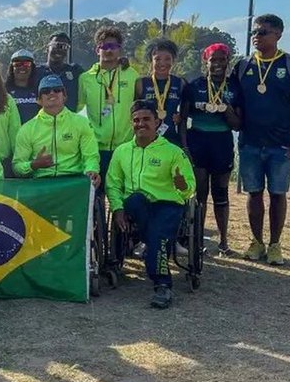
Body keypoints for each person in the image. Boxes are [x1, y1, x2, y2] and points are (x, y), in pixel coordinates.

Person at [229, 14, 290, 265]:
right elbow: (234, 102)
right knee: (254, 193)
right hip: (250, 142)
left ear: (278, 34)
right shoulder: (243, 66)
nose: (256, 36)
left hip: (281, 144)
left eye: (263, 32)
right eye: (254, 32)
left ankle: (275, 244)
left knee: (277, 194)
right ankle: (257, 242)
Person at [106, 100, 195, 309]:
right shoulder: (122, 152)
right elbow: (113, 184)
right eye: (136, 120)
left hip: (167, 205)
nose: (141, 124)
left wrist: (182, 186)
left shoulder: (173, 152)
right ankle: (154, 243)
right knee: (137, 201)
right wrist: (118, 208)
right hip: (137, 207)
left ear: (157, 121)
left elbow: (189, 188)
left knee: (158, 236)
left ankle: (163, 285)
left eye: (146, 119)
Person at [179, 43, 240, 257]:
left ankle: (223, 242)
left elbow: (238, 125)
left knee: (221, 193)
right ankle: (197, 241)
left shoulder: (234, 86)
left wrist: (227, 111)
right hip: (198, 141)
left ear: (227, 62)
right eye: (213, 60)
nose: (218, 64)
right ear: (206, 61)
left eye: (222, 60)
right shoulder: (194, 86)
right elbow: (183, 119)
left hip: (222, 142)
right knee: (200, 194)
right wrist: (185, 146)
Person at [78, 26, 140, 189]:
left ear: (120, 50)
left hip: (125, 147)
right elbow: (78, 111)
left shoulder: (132, 75)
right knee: (96, 197)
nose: (109, 50)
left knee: (122, 196)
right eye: (104, 46)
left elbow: (140, 106)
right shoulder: (85, 79)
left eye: (114, 46)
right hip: (96, 148)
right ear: (97, 49)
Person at [12, 75, 100, 187]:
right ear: (38, 100)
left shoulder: (82, 123)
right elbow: (17, 166)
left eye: (57, 90)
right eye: (46, 91)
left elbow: (91, 156)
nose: (52, 93)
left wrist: (92, 170)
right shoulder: (27, 129)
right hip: (41, 184)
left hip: (73, 182)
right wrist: (34, 165)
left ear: (64, 96)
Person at [136, 38, 185, 146]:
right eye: (157, 59)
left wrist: (179, 117)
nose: (162, 63)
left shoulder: (180, 83)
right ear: (151, 60)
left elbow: (186, 113)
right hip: (147, 141)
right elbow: (134, 113)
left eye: (167, 59)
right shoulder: (141, 83)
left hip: (172, 141)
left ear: (173, 61)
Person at [35, 32, 84, 111]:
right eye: (55, 45)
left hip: (69, 121)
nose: (59, 49)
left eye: (64, 47)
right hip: (43, 121)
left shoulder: (75, 71)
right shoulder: (35, 71)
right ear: (47, 48)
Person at [5, 49, 40, 124]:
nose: (22, 67)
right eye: (17, 64)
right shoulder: (4, 91)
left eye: (26, 64)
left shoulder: (39, 90)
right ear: (12, 68)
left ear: (32, 68)